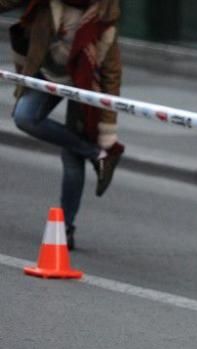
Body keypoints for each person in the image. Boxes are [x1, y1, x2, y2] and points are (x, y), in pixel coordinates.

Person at [4, 0, 125, 250]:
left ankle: (66, 228)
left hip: (82, 86)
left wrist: (107, 131)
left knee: (71, 159)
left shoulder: (102, 16)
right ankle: (96, 155)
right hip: (45, 73)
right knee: (24, 117)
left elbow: (112, 76)